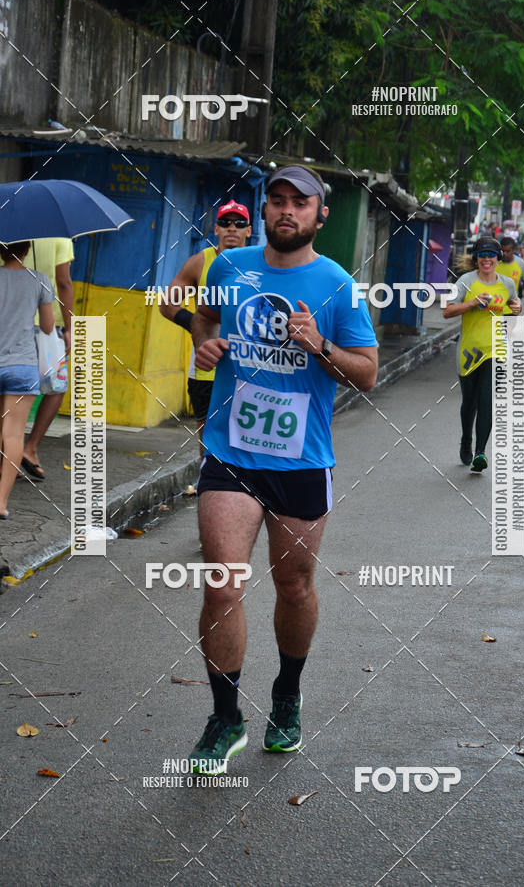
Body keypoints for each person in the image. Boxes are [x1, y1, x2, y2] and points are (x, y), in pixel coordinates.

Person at [187, 164, 378, 773]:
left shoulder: (338, 285)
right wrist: (203, 342)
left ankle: (287, 696)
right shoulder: (228, 267)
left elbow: (367, 373)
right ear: (263, 209)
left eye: (300, 202)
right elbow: (205, 318)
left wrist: (319, 345)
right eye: (277, 200)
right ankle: (225, 718)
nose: (286, 210)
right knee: (223, 584)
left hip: (301, 462)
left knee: (294, 587)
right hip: (230, 453)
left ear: (321, 214)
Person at [159, 201, 252, 452]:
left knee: (245, 443)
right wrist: (199, 326)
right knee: (208, 445)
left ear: (249, 230)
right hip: (205, 368)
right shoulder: (199, 262)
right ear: (216, 229)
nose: (232, 228)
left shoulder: (259, 264)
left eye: (239, 223)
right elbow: (167, 305)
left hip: (248, 368)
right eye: (225, 222)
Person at [442, 237, 521, 473]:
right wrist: (472, 303)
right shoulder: (465, 281)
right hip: (469, 350)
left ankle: (480, 452)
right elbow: (447, 311)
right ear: (476, 258)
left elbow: (512, 308)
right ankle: (466, 439)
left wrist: (518, 309)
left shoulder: (507, 284)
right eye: (482, 255)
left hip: (495, 348)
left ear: (498, 258)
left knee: (487, 399)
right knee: (470, 402)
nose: (487, 259)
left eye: (491, 255)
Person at [0, 241, 55, 518]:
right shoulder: (39, 280)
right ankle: (1, 502)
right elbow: (47, 327)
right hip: (22, 366)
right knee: (12, 435)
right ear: (27, 249)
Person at [18, 238, 73, 479]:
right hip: (47, 325)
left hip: (11, 322)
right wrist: (70, 327)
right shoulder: (60, 238)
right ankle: (29, 449)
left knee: (12, 391)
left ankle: (7, 456)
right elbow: (64, 282)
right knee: (56, 387)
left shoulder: (8, 230)